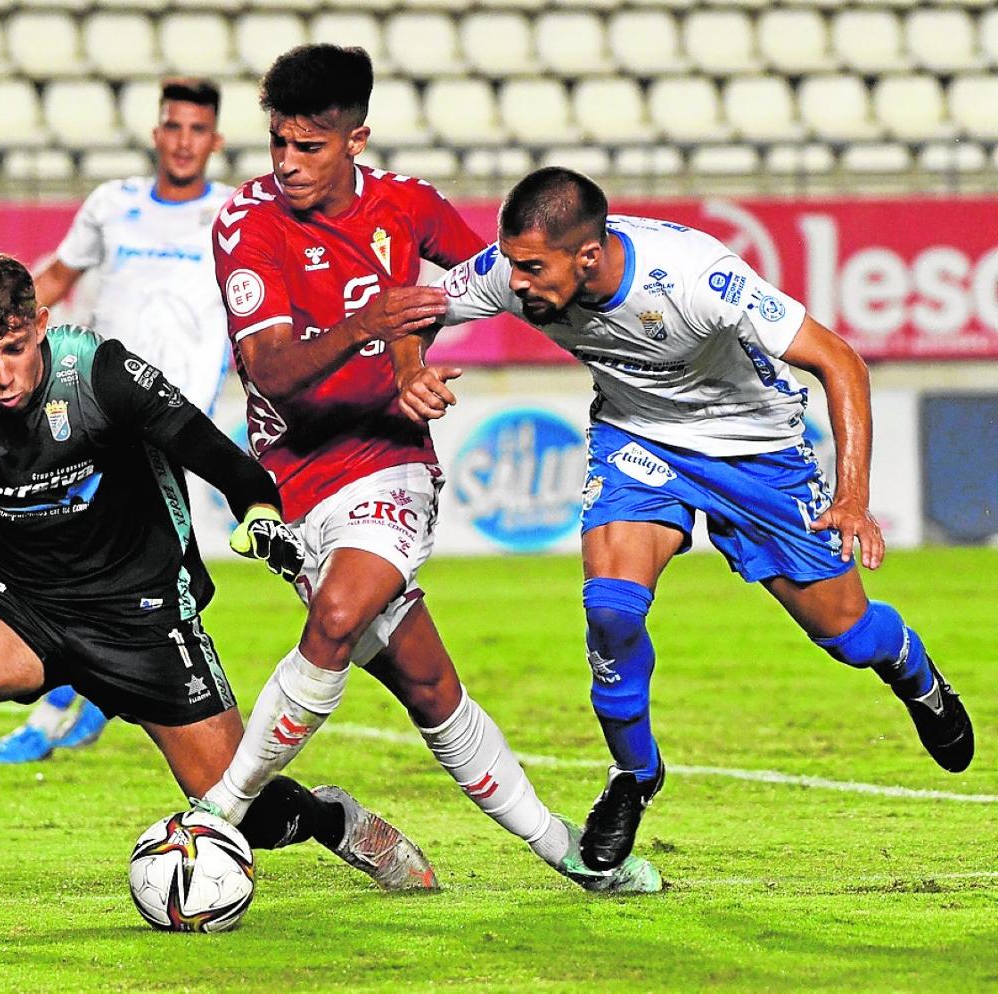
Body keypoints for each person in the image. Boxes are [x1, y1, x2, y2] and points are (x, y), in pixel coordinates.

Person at [0, 245, 438, 929]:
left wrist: (259, 516)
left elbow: (223, 459)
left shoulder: (99, 371)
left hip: (143, 615)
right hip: (22, 604)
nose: (3, 375)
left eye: (13, 347)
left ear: (39, 324)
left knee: (251, 811)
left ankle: (333, 818)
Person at [396, 167, 974, 876]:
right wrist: (406, 370)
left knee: (847, 635)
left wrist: (852, 496)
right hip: (639, 442)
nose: (514, 284)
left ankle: (914, 672)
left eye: (532, 268)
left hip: (755, 453)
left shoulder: (697, 276)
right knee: (610, 609)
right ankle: (634, 775)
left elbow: (841, 361)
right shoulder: (508, 270)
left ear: (586, 256)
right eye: (512, 264)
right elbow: (414, 307)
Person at [199, 45, 661, 894]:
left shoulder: (409, 208)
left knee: (337, 614)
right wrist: (369, 325)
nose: (287, 165)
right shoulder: (246, 222)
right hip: (293, 481)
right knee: (427, 684)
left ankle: (213, 819)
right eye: (277, 144)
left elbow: (508, 281)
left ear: (356, 139)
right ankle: (568, 850)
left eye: (309, 147)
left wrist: (415, 362)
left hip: (388, 463)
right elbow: (269, 370)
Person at [0, 78, 233, 764]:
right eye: (173, 127)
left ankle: (85, 702)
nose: (183, 141)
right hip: (91, 409)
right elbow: (57, 277)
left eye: (197, 129)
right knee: (89, 561)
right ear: (157, 133)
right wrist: (1, 320)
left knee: (154, 572)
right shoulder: (111, 205)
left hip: (172, 420)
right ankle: (81, 700)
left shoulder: (233, 216)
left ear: (215, 139)